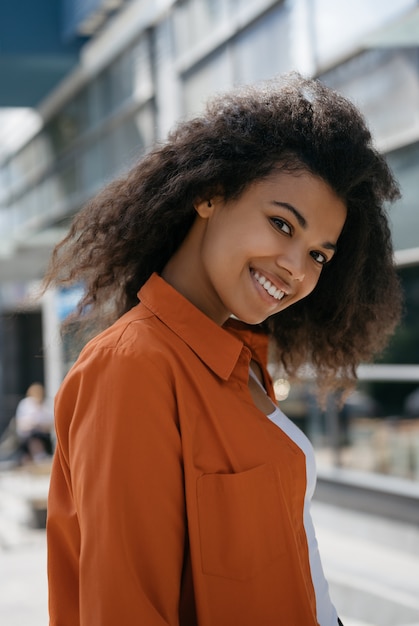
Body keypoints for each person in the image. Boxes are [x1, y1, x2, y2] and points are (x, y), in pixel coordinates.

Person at [43, 72, 402, 626]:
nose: (296, 269)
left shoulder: (242, 361)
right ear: (210, 193)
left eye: (319, 256)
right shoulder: (134, 365)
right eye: (282, 224)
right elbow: (125, 608)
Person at [15, 382, 54, 463]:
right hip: (28, 434)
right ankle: (39, 457)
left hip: (43, 434)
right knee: (34, 435)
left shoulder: (47, 405)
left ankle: (40, 457)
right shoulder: (25, 404)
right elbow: (20, 423)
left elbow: (51, 423)